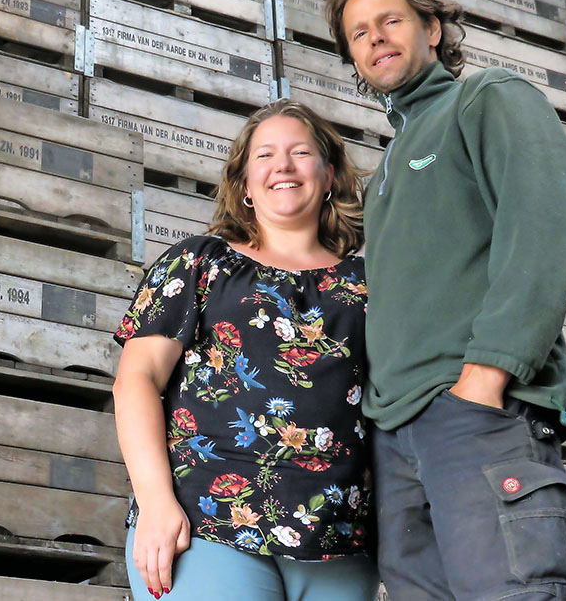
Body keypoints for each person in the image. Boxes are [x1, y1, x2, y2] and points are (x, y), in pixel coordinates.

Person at [325, 0, 566, 601]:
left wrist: (488, 375)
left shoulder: (487, 99)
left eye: (390, 20)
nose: (376, 39)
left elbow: (540, 235)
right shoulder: (387, 167)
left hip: (473, 412)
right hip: (395, 435)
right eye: (358, 34)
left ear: (434, 27)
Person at [112, 100, 379, 601]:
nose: (283, 165)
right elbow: (136, 380)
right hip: (206, 522)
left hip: (342, 540)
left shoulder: (370, 285)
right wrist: (154, 503)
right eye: (265, 155)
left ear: (328, 177)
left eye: (301, 152)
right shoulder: (198, 263)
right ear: (243, 185)